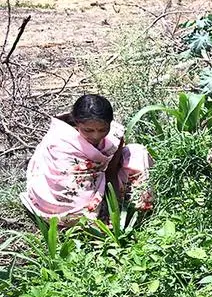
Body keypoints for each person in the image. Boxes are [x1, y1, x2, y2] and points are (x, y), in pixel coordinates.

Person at [22, 94, 153, 225]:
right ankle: (87, 222)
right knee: (81, 215)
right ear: (76, 123)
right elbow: (63, 184)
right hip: (65, 198)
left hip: (100, 182)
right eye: (88, 130)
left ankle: (137, 209)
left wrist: (115, 204)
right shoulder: (60, 143)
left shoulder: (114, 139)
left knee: (136, 153)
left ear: (110, 124)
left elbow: (111, 172)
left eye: (103, 130)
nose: (96, 135)